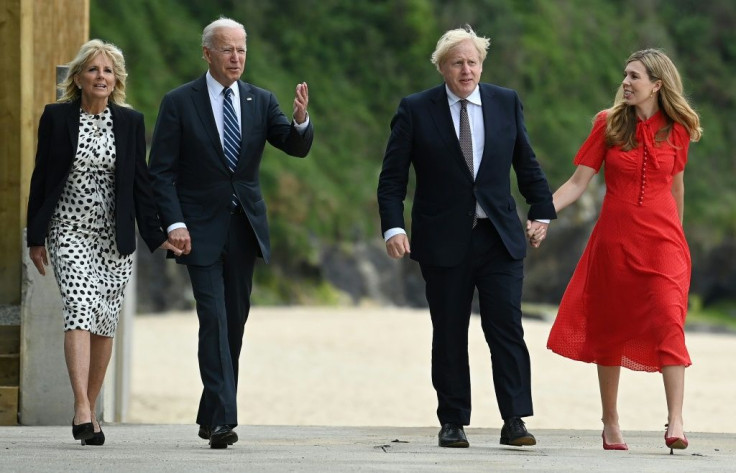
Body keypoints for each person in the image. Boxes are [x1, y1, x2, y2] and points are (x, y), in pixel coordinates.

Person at [377, 25, 556, 448]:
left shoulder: (505, 102)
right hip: (443, 241)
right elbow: (392, 178)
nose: (466, 69)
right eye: (457, 62)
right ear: (442, 67)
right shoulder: (415, 109)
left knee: (507, 328)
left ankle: (514, 419)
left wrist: (542, 212)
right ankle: (453, 421)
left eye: (472, 61)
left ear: (481, 65)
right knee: (450, 331)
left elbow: (526, 164)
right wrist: (394, 226)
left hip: (499, 238)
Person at [148, 17, 313, 449]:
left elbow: (294, 146)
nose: (236, 57)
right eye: (227, 49)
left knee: (234, 322)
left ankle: (209, 411)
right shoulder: (179, 102)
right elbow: (160, 173)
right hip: (197, 230)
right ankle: (223, 419)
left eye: (241, 49)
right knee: (214, 319)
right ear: (207, 53)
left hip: (245, 228)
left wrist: (299, 121)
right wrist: (175, 223)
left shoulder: (260, 100)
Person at [539, 49, 702, 453]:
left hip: (664, 244)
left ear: (656, 85)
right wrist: (542, 215)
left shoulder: (678, 129)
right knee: (609, 328)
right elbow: (577, 183)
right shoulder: (607, 124)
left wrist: (677, 239)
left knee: (669, 320)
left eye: (635, 77)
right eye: (625, 76)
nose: (626, 83)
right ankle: (611, 422)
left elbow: (676, 187)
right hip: (614, 243)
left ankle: (676, 420)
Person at [26, 39, 180, 446]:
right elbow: (41, 178)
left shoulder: (130, 123)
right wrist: (35, 236)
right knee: (79, 308)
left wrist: (158, 235)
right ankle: (81, 406)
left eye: (108, 71)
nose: (101, 77)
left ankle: (90, 412)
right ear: (78, 77)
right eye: (93, 70)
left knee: (104, 321)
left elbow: (141, 187)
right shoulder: (57, 118)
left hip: (114, 238)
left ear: (117, 80)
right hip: (68, 229)